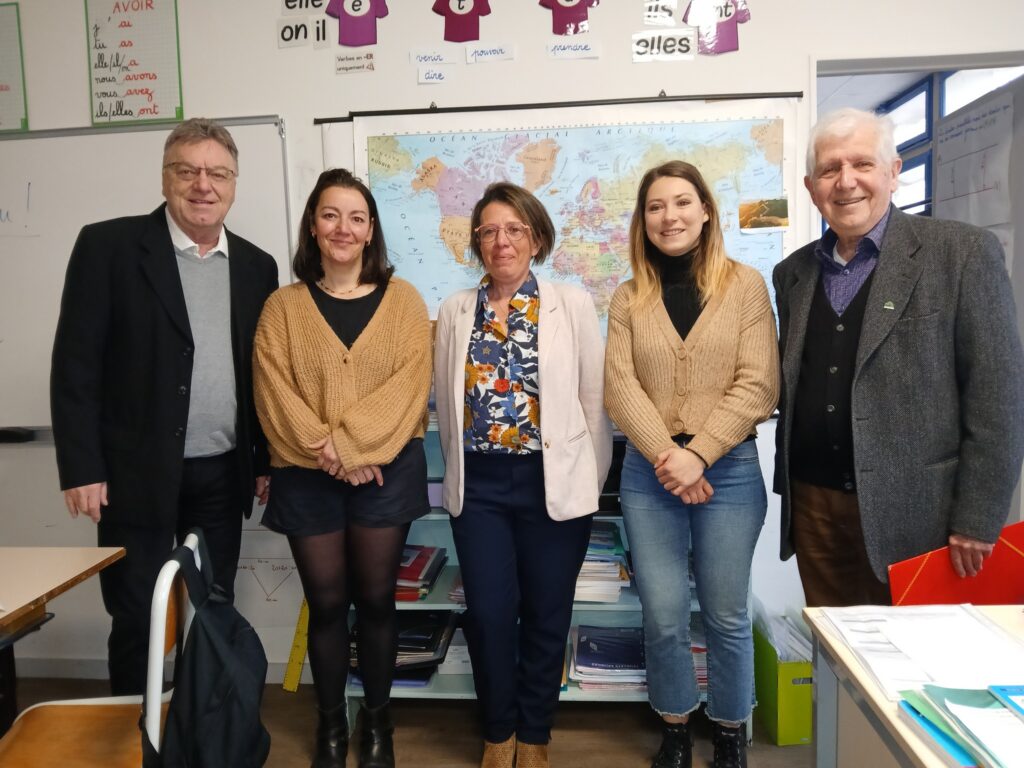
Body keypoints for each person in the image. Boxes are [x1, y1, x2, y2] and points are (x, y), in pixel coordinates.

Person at [50, 118, 279, 695]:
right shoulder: (108, 248)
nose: (203, 185)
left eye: (217, 173)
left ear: (233, 184)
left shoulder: (258, 267)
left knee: (213, 608)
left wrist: (262, 460)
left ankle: (205, 727)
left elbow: (260, 375)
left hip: (221, 474)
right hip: (134, 474)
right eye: (187, 171)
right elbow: (76, 365)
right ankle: (138, 729)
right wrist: (81, 468)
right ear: (164, 178)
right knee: (138, 613)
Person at [774, 108, 1024, 608]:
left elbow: (998, 396)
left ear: (893, 172)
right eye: (829, 169)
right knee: (834, 647)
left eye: (862, 164)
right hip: (814, 508)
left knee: (917, 651)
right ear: (811, 187)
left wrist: (977, 517)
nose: (846, 181)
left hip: (920, 515)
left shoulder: (961, 254)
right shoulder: (792, 274)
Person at [253, 168, 432, 768]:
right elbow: (273, 393)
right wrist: (334, 454)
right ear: (313, 224)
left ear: (371, 229)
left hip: (386, 471)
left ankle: (378, 723)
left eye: (356, 217)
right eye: (330, 215)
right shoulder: (282, 307)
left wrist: (352, 448)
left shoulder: (404, 301)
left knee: (377, 601)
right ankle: (331, 725)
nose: (343, 228)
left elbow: (409, 388)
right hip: (307, 475)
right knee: (327, 604)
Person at [605, 161, 779, 768]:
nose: (669, 216)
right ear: (643, 220)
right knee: (663, 614)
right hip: (650, 476)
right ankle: (675, 726)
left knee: (726, 613)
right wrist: (670, 458)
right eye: (655, 206)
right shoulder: (629, 297)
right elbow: (619, 387)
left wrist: (698, 454)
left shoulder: (746, 286)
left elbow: (760, 383)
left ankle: (729, 731)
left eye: (682, 202)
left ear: (706, 210)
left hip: (728, 472)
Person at [434, 182, 612, 768]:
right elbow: (446, 406)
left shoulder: (571, 304)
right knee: (488, 614)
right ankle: (498, 730)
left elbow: (593, 403)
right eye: (488, 230)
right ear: (476, 242)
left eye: (514, 229)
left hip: (552, 482)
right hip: (480, 486)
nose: (501, 241)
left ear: (536, 238)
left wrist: (586, 482)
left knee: (546, 612)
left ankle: (534, 733)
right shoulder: (456, 311)